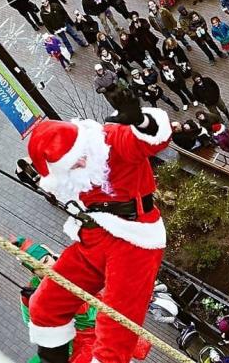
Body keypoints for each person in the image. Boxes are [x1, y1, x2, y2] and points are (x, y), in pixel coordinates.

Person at [25, 92, 172, 363]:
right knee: (45, 303)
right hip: (93, 239)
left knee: (115, 330)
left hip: (134, 239)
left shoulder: (105, 142)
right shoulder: (68, 180)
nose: (81, 163)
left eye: (80, 156)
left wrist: (141, 121)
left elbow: (151, 140)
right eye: (72, 164)